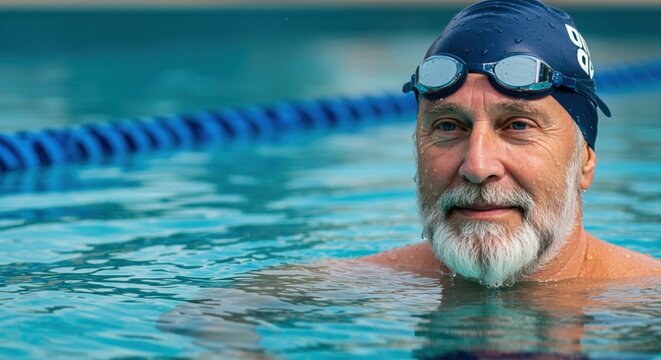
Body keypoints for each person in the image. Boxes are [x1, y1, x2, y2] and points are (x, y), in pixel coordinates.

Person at [363, 0, 661, 287]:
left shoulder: (647, 303)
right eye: (449, 126)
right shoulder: (350, 289)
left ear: (585, 161)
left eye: (518, 125)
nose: (478, 167)